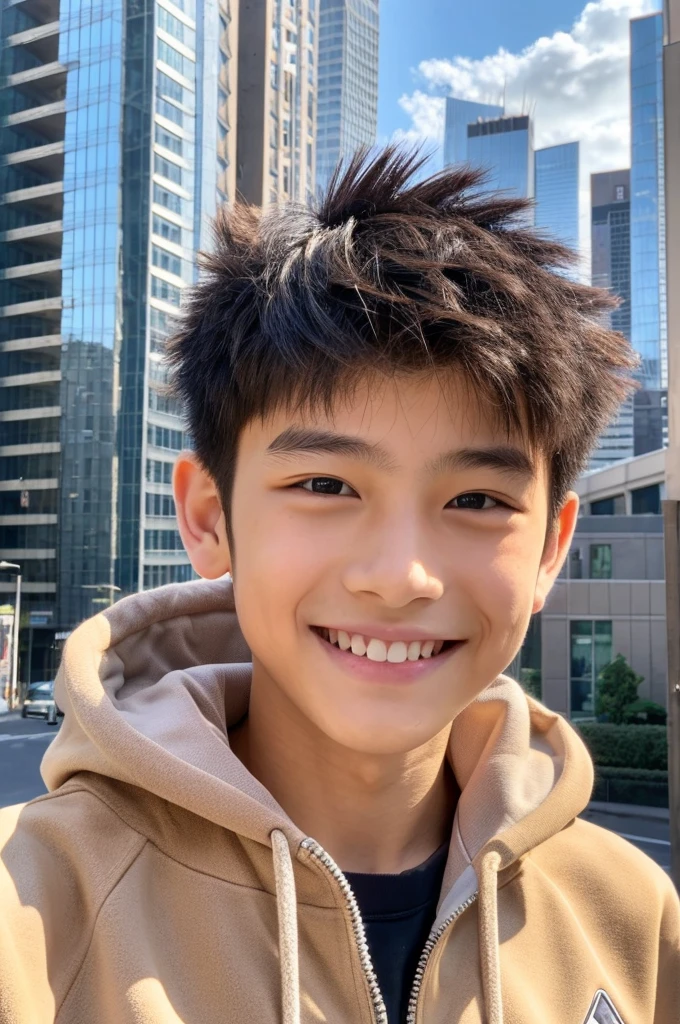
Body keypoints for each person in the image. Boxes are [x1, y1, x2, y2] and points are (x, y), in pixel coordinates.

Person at [0, 148, 678, 1024]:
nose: (399, 578)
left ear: (552, 545)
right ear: (208, 516)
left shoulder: (633, 917)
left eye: (477, 499)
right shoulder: (32, 915)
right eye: (325, 486)